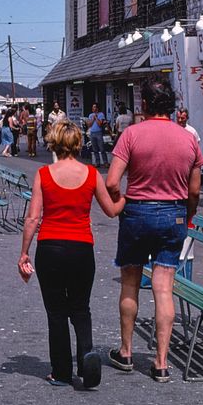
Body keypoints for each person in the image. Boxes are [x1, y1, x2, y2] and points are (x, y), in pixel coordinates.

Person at [104, 76, 203, 383]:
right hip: (173, 214)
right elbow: (195, 191)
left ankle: (126, 351)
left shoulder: (132, 135)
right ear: (171, 106)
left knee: (130, 283)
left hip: (137, 212)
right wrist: (186, 215)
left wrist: (121, 203)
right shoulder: (188, 139)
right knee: (164, 288)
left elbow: (110, 182)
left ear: (144, 104)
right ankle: (161, 362)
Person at [18, 119, 124, 387]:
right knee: (80, 308)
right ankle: (86, 357)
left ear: (54, 142)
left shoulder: (43, 174)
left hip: (50, 247)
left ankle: (61, 371)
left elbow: (33, 218)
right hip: (80, 248)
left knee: (55, 312)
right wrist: (127, 197)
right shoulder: (91, 174)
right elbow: (111, 211)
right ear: (78, 143)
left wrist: (24, 253)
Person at [85, 103, 109, 167]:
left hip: (99, 132)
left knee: (102, 148)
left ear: (97, 108)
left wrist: (96, 117)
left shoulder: (101, 114)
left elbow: (100, 124)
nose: (93, 108)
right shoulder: (90, 115)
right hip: (92, 133)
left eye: (94, 107)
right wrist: (93, 119)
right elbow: (89, 125)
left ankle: (105, 162)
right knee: (95, 149)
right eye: (92, 107)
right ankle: (97, 162)